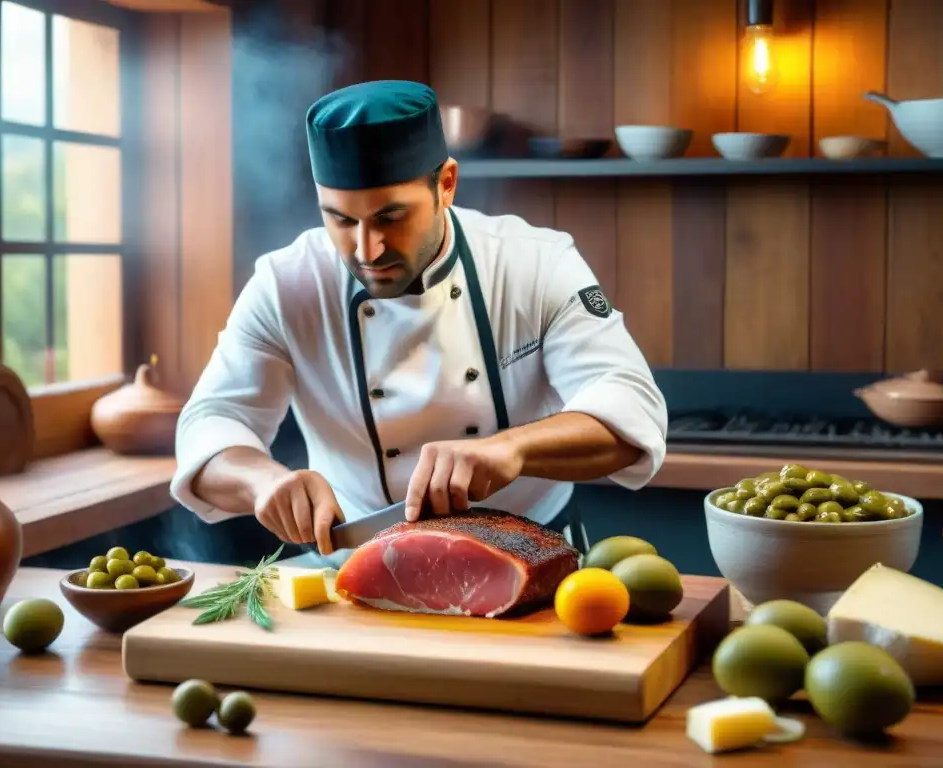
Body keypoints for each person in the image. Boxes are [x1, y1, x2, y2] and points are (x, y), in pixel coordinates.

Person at [170, 79, 668, 567]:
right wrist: (264, 482)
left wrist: (510, 449)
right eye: (341, 220)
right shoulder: (286, 283)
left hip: (530, 557)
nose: (367, 250)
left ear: (446, 183)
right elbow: (210, 424)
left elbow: (630, 406)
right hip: (355, 562)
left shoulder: (536, 264)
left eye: (390, 217)